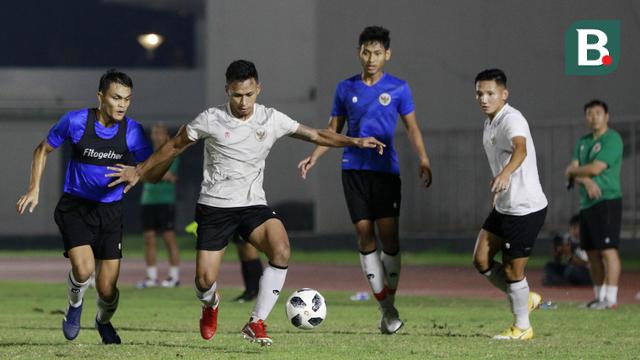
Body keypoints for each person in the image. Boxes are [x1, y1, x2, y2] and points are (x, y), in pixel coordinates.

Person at [106, 60, 385, 346]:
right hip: (214, 206)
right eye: (237, 95)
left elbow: (316, 134)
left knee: (281, 249)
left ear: (258, 89)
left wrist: (355, 141)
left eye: (249, 94)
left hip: (253, 205)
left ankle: (256, 322)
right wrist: (138, 171)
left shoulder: (271, 118)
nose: (243, 101)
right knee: (204, 281)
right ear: (227, 90)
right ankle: (211, 304)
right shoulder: (210, 119)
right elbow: (174, 145)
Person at [298, 25, 432, 335]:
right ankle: (387, 309)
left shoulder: (399, 88)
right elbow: (333, 131)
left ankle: (389, 302)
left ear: (387, 54)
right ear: (359, 52)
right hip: (353, 170)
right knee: (363, 235)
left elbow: (412, 128)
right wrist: (314, 156)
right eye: (365, 52)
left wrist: (423, 158)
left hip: (385, 172)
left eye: (376, 53)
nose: (370, 58)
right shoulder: (345, 88)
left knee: (391, 241)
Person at [16, 69, 152, 344]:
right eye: (116, 98)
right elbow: (42, 149)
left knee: (107, 289)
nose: (122, 104)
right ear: (100, 97)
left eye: (127, 99)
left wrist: (137, 171)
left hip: (110, 213)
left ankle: (103, 321)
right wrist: (34, 187)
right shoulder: (76, 121)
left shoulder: (133, 131)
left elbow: (154, 164)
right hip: (75, 208)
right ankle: (74, 305)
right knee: (84, 270)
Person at [471, 68, 547, 340]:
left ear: (504, 94)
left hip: (524, 208)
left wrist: (505, 174)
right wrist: (499, 185)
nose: (484, 98)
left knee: (514, 269)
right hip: (505, 205)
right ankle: (525, 298)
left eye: (490, 93)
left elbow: (521, 149)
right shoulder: (489, 122)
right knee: (481, 260)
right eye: (479, 93)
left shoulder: (511, 119)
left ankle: (522, 327)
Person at [565, 99, 623, 310]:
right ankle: (598, 298)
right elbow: (571, 171)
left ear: (606, 116)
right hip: (586, 203)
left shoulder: (613, 139)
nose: (594, 117)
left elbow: (597, 168)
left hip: (607, 200)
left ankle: (611, 299)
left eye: (598, 113)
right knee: (591, 252)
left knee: (608, 250)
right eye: (589, 113)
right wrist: (586, 179)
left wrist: (580, 173)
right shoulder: (583, 141)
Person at [137, 123, 181, 289]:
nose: (157, 136)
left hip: (165, 201)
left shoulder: (171, 153)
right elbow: (139, 174)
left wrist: (148, 172)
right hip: (147, 200)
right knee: (149, 239)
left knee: (169, 238)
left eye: (160, 133)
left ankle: (174, 277)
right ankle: (151, 277)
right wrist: (150, 173)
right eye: (154, 132)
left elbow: (169, 175)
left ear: (165, 135)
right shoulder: (146, 153)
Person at [185, 221, 263, 302]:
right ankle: (250, 291)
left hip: (245, 215)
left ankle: (255, 291)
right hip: (236, 216)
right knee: (242, 249)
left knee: (249, 249)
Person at [543, 214, 591, 286]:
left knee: (570, 271)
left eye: (577, 228)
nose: (575, 231)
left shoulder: (587, 241)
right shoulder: (567, 239)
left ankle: (560, 280)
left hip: (584, 271)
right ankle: (556, 280)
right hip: (570, 267)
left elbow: (585, 264)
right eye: (573, 228)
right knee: (550, 266)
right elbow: (559, 262)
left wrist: (569, 254)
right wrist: (558, 253)